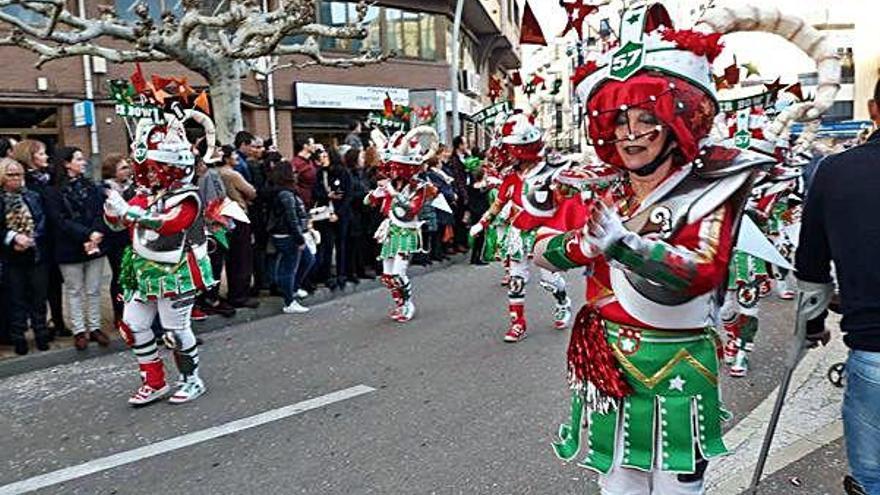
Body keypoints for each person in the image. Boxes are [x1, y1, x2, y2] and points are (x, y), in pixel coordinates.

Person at [532, 4, 816, 493]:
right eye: (619, 120)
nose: (630, 133)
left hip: (677, 367)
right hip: (607, 363)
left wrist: (622, 245)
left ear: (679, 119)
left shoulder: (712, 186)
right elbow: (541, 248)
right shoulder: (608, 187)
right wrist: (583, 244)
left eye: (647, 118)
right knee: (617, 485)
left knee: (677, 489)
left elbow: (701, 270)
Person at [103, 77, 217, 405]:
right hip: (143, 267)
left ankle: (191, 379)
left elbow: (171, 224)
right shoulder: (146, 193)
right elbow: (119, 223)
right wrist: (114, 212)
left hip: (175, 268)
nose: (150, 173)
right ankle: (154, 381)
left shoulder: (187, 194)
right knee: (133, 325)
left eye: (156, 167)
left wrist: (132, 213)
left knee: (174, 329)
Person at [795, 78, 880, 495]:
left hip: (874, 353)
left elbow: (810, 265)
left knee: (873, 479)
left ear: (872, 109)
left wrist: (813, 326)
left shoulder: (837, 172)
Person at [469, 111, 576, 343]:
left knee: (549, 281)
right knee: (516, 280)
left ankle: (562, 301)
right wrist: (482, 222)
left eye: (508, 149)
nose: (503, 155)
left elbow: (566, 202)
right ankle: (518, 323)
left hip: (543, 234)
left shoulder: (552, 172)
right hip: (518, 234)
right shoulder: (510, 178)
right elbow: (498, 205)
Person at [365, 126, 439, 322]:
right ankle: (399, 304)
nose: (393, 172)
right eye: (391, 168)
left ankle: (408, 304)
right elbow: (367, 202)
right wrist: (375, 194)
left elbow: (411, 209)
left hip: (407, 233)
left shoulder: (421, 187)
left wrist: (393, 193)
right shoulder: (389, 184)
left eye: (396, 168)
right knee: (388, 275)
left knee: (398, 273)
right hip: (391, 231)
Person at [43, 147, 111, 351]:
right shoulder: (52, 190)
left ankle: (95, 327)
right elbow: (59, 220)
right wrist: (86, 234)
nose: (84, 162)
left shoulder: (90, 186)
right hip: (69, 248)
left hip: (95, 244)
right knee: (74, 291)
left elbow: (101, 211)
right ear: (66, 163)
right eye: (79, 159)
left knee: (93, 290)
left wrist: (97, 232)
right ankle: (79, 330)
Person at [15, 139, 67, 339]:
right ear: (30, 156)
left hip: (55, 239)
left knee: (55, 284)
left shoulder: (51, 177)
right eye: (42, 153)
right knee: (38, 287)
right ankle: (40, 326)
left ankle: (59, 321)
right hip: (38, 241)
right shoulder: (25, 182)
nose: (46, 157)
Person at [0, 158, 50, 355]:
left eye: (19, 174)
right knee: (16, 298)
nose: (15, 179)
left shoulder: (33, 196)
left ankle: (41, 333)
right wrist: (14, 238)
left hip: (35, 253)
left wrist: (30, 238)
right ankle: (18, 336)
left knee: (39, 297)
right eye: (10, 174)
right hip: (11, 256)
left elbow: (42, 220)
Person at [267, 161, 312, 314]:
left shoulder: (286, 191)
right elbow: (291, 218)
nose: (295, 174)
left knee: (307, 259)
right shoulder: (285, 194)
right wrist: (299, 238)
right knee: (288, 268)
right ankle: (289, 300)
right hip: (288, 235)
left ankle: (292, 288)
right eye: (292, 171)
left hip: (289, 233)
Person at [218, 144, 258, 308]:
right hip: (239, 215)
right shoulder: (232, 174)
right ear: (227, 157)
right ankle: (240, 294)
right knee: (242, 257)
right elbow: (251, 192)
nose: (236, 157)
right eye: (233, 154)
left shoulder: (215, 173)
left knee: (231, 257)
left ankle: (232, 293)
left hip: (223, 216)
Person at [101, 153, 134, 325]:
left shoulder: (133, 187)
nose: (128, 170)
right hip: (116, 239)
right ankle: (120, 311)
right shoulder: (106, 190)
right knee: (120, 276)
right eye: (123, 168)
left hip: (132, 237)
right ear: (112, 172)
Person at [345, 147, 372, 281]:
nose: (363, 160)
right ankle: (352, 271)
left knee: (361, 242)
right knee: (353, 243)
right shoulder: (349, 175)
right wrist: (365, 195)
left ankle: (361, 269)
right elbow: (350, 195)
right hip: (354, 213)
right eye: (360, 157)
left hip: (362, 213)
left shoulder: (361, 174)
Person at [292, 137, 317, 208]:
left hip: (313, 199)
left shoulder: (310, 161)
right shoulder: (296, 163)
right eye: (312, 143)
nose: (314, 146)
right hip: (304, 201)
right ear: (305, 146)